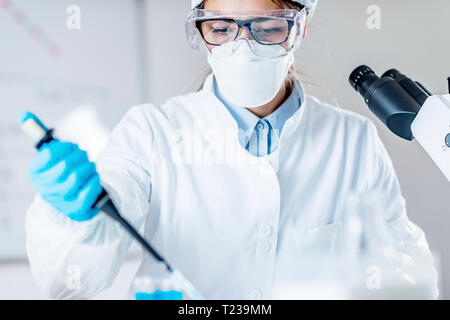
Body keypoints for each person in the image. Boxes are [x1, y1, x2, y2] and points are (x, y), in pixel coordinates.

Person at [25, 0, 439, 299]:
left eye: (268, 27)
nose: (243, 46)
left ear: (300, 28)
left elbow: (406, 275)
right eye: (221, 29)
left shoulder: (353, 141)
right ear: (201, 32)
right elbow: (71, 282)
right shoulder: (151, 132)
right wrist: (71, 217)